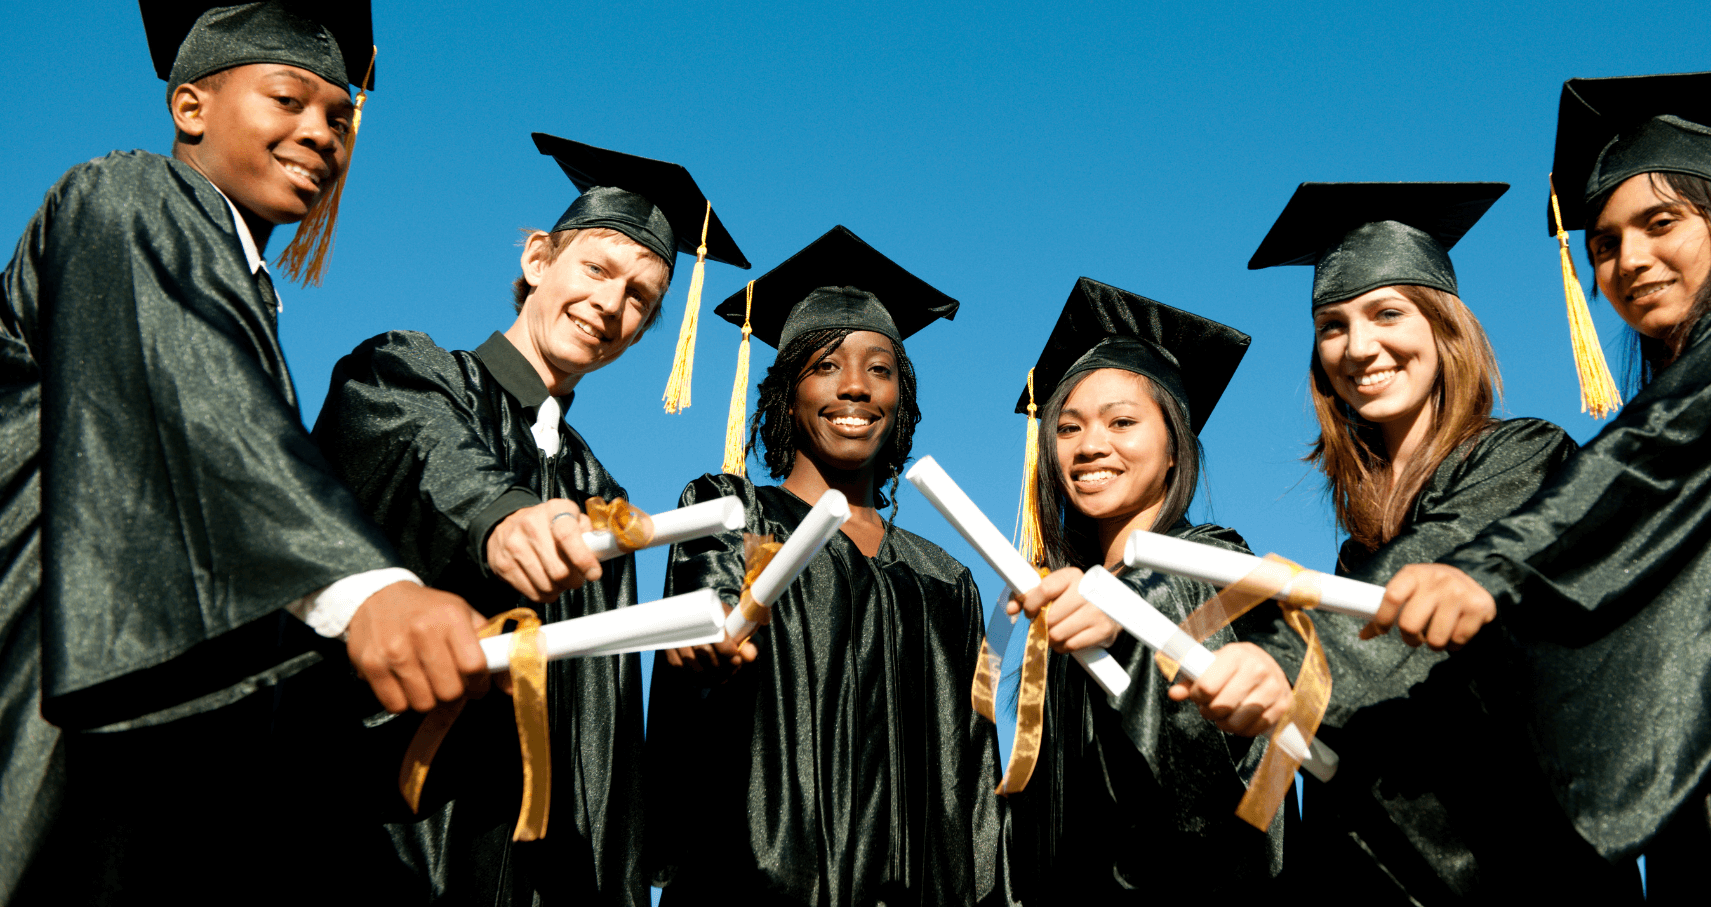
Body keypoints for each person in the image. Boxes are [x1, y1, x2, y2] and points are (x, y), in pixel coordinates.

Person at [7, 0, 489, 903]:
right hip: (56, 696)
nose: (321, 132)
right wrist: (363, 590)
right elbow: (196, 417)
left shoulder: (243, 292)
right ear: (191, 106)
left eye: (340, 115)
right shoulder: (131, 196)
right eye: (288, 99)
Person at [1366, 68, 1711, 904]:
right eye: (1604, 242)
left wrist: (1490, 568)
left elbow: (1639, 466)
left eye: (1661, 223)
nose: (1629, 260)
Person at [306, 132, 751, 904]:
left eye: (641, 296)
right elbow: (425, 454)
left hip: (539, 869)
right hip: (398, 831)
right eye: (598, 269)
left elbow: (603, 728)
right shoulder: (414, 377)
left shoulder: (603, 497)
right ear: (539, 260)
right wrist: (504, 518)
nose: (611, 304)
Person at [1246, 182, 1641, 904]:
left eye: (1387, 312)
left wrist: (1279, 658)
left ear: (1444, 328)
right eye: (1332, 325)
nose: (1359, 346)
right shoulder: (1353, 553)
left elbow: (1441, 556)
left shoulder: (1525, 462)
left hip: (1516, 868)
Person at [644, 225, 1006, 905]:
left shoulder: (945, 580)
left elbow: (971, 773)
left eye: (879, 368)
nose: (855, 388)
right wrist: (705, 639)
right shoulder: (732, 514)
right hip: (755, 887)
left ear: (903, 398)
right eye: (824, 366)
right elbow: (705, 617)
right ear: (786, 394)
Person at [999, 277, 1299, 898]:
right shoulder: (1061, 601)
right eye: (1068, 428)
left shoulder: (1217, 563)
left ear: (1173, 450)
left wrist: (1121, 605)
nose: (1091, 446)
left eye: (1122, 421)